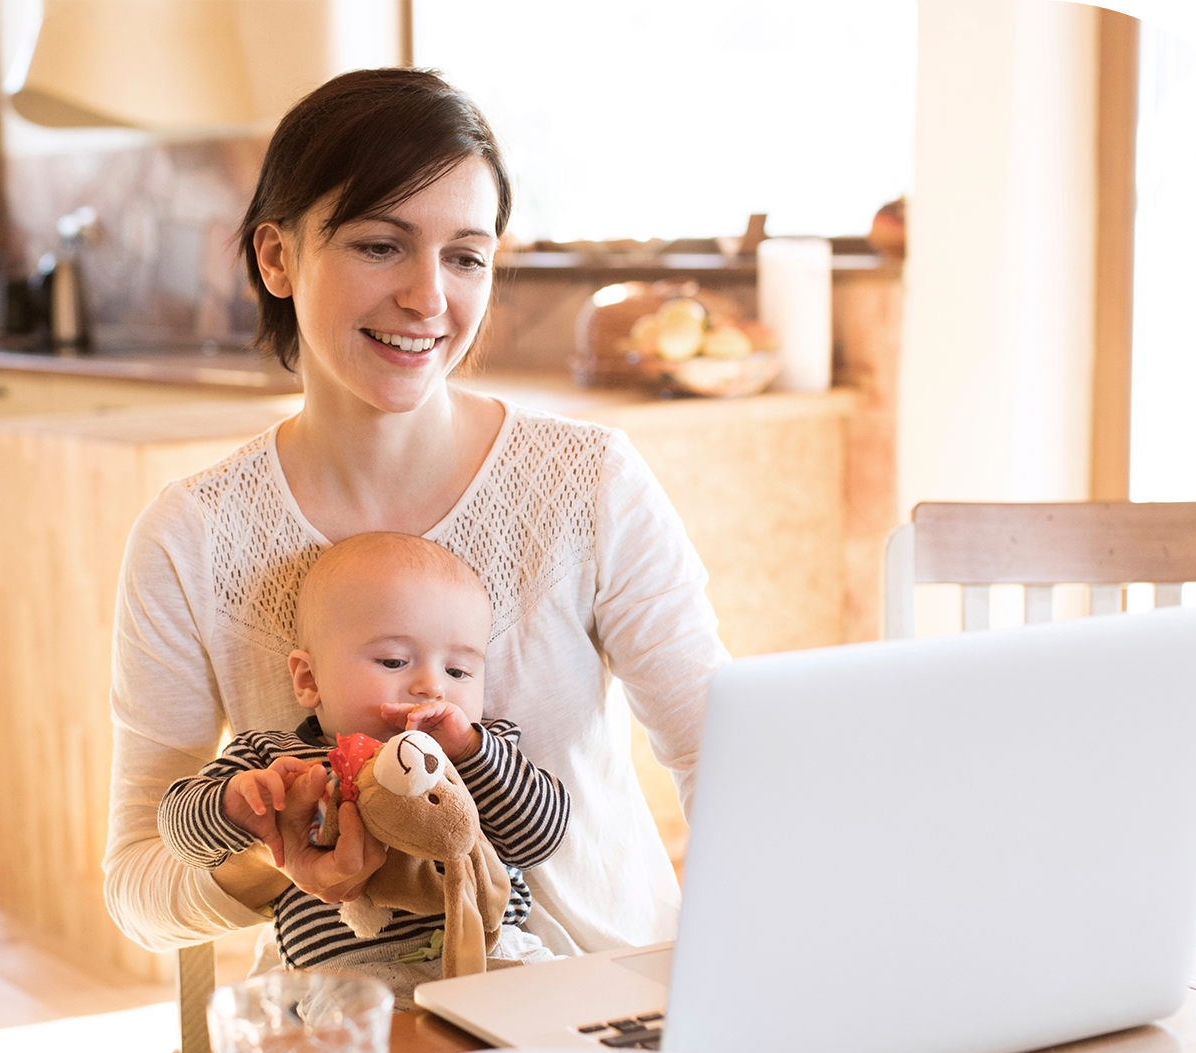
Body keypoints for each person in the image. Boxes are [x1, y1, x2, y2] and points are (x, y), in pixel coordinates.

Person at [103, 67, 729, 964]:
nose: (429, 298)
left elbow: (723, 760)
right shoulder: (190, 539)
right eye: (380, 245)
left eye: (466, 256)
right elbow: (137, 886)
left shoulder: (589, 480)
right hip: (353, 1010)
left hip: (601, 990)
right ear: (277, 258)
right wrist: (280, 861)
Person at [155, 531, 565, 997]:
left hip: (492, 953)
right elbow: (178, 831)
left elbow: (540, 840)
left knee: (559, 1004)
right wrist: (230, 805)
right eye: (393, 661)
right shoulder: (274, 759)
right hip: (349, 977)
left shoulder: (478, 751)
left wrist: (473, 751)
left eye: (457, 671)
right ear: (309, 680)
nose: (432, 687)